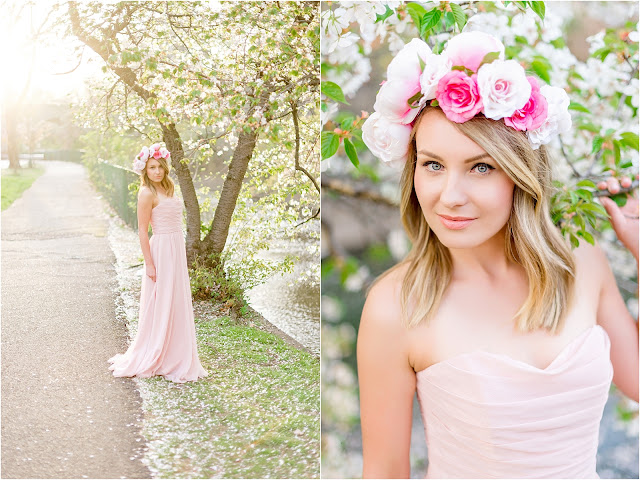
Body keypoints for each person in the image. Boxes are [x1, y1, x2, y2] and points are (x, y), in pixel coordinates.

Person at [358, 32, 638, 478]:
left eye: (481, 167)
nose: (450, 196)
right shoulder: (396, 306)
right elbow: (385, 470)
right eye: (433, 165)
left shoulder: (582, 261)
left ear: (521, 176)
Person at [108, 143, 208, 383]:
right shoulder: (146, 193)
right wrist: (149, 263)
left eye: (159, 167)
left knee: (176, 299)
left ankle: (177, 351)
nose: (157, 172)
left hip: (176, 247)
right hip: (161, 249)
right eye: (152, 167)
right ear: (145, 170)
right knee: (161, 300)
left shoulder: (169, 188)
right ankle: (157, 351)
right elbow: (143, 231)